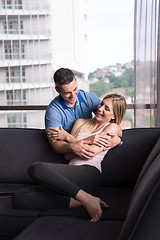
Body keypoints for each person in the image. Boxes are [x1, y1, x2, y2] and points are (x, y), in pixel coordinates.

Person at [13, 93, 126, 222]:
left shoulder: (112, 127)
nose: (100, 109)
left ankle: (86, 198)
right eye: (101, 104)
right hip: (71, 179)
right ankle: (83, 200)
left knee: (36, 168)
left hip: (88, 175)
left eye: (107, 108)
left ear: (114, 115)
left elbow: (90, 152)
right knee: (21, 197)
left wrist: (67, 137)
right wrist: (80, 143)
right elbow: (68, 154)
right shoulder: (80, 123)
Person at [45, 68, 122, 159]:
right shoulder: (53, 112)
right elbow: (56, 146)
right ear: (57, 90)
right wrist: (73, 146)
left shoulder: (88, 98)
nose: (73, 96)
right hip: (68, 153)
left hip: (90, 147)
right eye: (67, 93)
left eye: (75, 89)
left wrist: (118, 139)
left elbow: (110, 117)